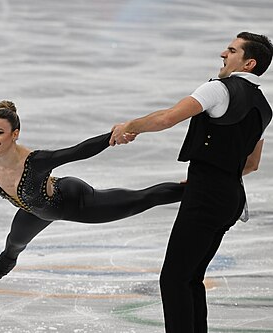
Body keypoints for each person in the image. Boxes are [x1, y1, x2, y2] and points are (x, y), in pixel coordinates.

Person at [109, 32, 273, 333]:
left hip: (207, 196)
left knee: (173, 279)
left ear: (248, 63)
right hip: (231, 197)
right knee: (190, 278)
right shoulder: (264, 107)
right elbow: (251, 164)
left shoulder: (219, 90)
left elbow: (168, 118)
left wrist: (130, 126)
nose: (223, 53)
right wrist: (215, 176)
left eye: (232, 50)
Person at [0, 100, 185, 285]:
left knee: (142, 199)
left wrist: (114, 136)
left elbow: (77, 152)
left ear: (15, 134)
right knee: (12, 247)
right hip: (34, 211)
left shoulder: (36, 162)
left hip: (72, 201)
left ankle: (193, 188)